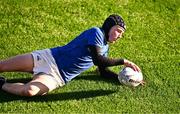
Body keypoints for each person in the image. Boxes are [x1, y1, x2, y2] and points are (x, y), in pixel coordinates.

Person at [0, 14, 141, 97]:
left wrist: (126, 79)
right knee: (2, 65)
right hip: (49, 57)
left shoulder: (105, 50)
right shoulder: (96, 33)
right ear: (109, 26)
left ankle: (2, 84)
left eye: (122, 33)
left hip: (57, 77)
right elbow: (98, 59)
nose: (120, 36)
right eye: (118, 31)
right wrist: (123, 61)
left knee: (29, 91)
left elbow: (102, 71)